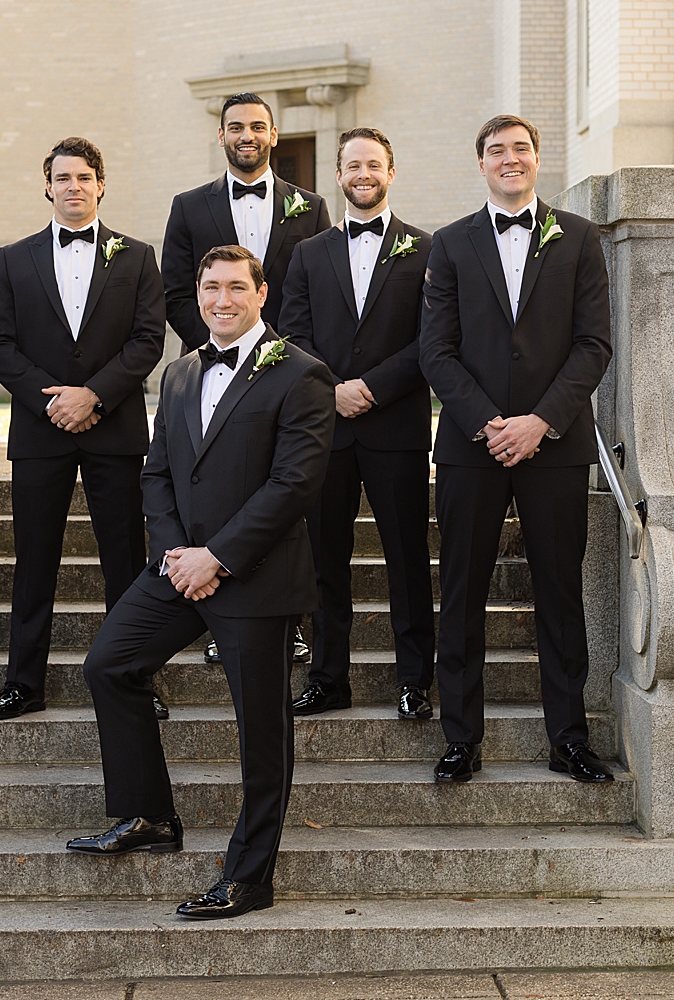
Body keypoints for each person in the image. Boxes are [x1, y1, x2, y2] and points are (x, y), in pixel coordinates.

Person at [68, 245, 335, 921]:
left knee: (261, 734)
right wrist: (175, 551)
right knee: (109, 665)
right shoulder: (181, 371)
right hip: (179, 566)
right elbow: (156, 471)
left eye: (235, 288)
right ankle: (146, 814)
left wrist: (218, 556)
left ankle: (250, 879)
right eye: (211, 288)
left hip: (256, 576)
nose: (222, 299)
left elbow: (293, 485)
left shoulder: (301, 374)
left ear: (261, 293)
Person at [418, 114, 614, 784]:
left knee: (560, 592)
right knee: (463, 590)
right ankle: (460, 739)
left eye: (520, 149)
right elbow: (435, 351)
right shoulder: (448, 245)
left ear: (538, 158)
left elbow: (594, 346)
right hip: (473, 448)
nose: (510, 159)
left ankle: (569, 738)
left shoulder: (580, 239)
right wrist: (489, 422)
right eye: (496, 150)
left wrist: (540, 422)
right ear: (481, 164)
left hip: (555, 446)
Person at [0, 137, 166, 721]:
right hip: (42, 430)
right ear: (48, 186)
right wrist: (50, 401)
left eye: (84, 177)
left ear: (100, 184)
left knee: (124, 560)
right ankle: (22, 683)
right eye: (63, 178)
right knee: (34, 560)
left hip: (114, 430)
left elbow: (147, 340)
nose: (74, 187)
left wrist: (94, 396)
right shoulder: (13, 258)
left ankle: (134, 676)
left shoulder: (136, 256)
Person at [161, 91, 329, 667]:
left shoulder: (309, 206)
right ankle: (213, 615)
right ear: (221, 136)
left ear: (274, 134)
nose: (246, 135)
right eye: (235, 127)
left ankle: (293, 623)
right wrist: (223, 337)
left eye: (257, 126)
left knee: (284, 498)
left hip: (286, 378)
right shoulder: (188, 206)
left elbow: (315, 291)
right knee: (217, 494)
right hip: (215, 374)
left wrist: (277, 357)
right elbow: (179, 294)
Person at [282, 127, 435, 720]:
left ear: (390, 173)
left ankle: (416, 680)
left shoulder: (425, 250)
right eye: (352, 165)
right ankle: (327, 677)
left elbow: (433, 339)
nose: (363, 174)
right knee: (323, 560)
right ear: (338, 175)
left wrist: (372, 387)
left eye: (374, 164)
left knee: (406, 557)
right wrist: (334, 390)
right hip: (327, 429)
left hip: (394, 427)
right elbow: (291, 334)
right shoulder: (309, 253)